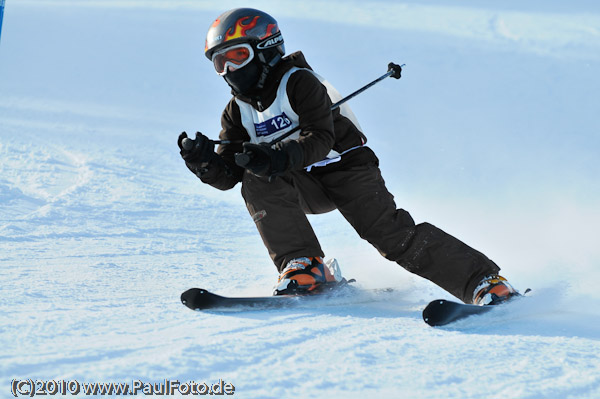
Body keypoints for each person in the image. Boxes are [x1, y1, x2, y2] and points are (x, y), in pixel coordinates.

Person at [177, 7, 519, 305]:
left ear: (265, 48)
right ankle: (305, 266)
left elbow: (321, 139)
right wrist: (205, 162)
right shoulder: (236, 111)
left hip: (347, 170)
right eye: (219, 63)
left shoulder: (298, 83)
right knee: (256, 178)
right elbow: (229, 177)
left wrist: (273, 157)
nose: (228, 70)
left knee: (391, 237)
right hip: (301, 184)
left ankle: (483, 282)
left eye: (237, 57)